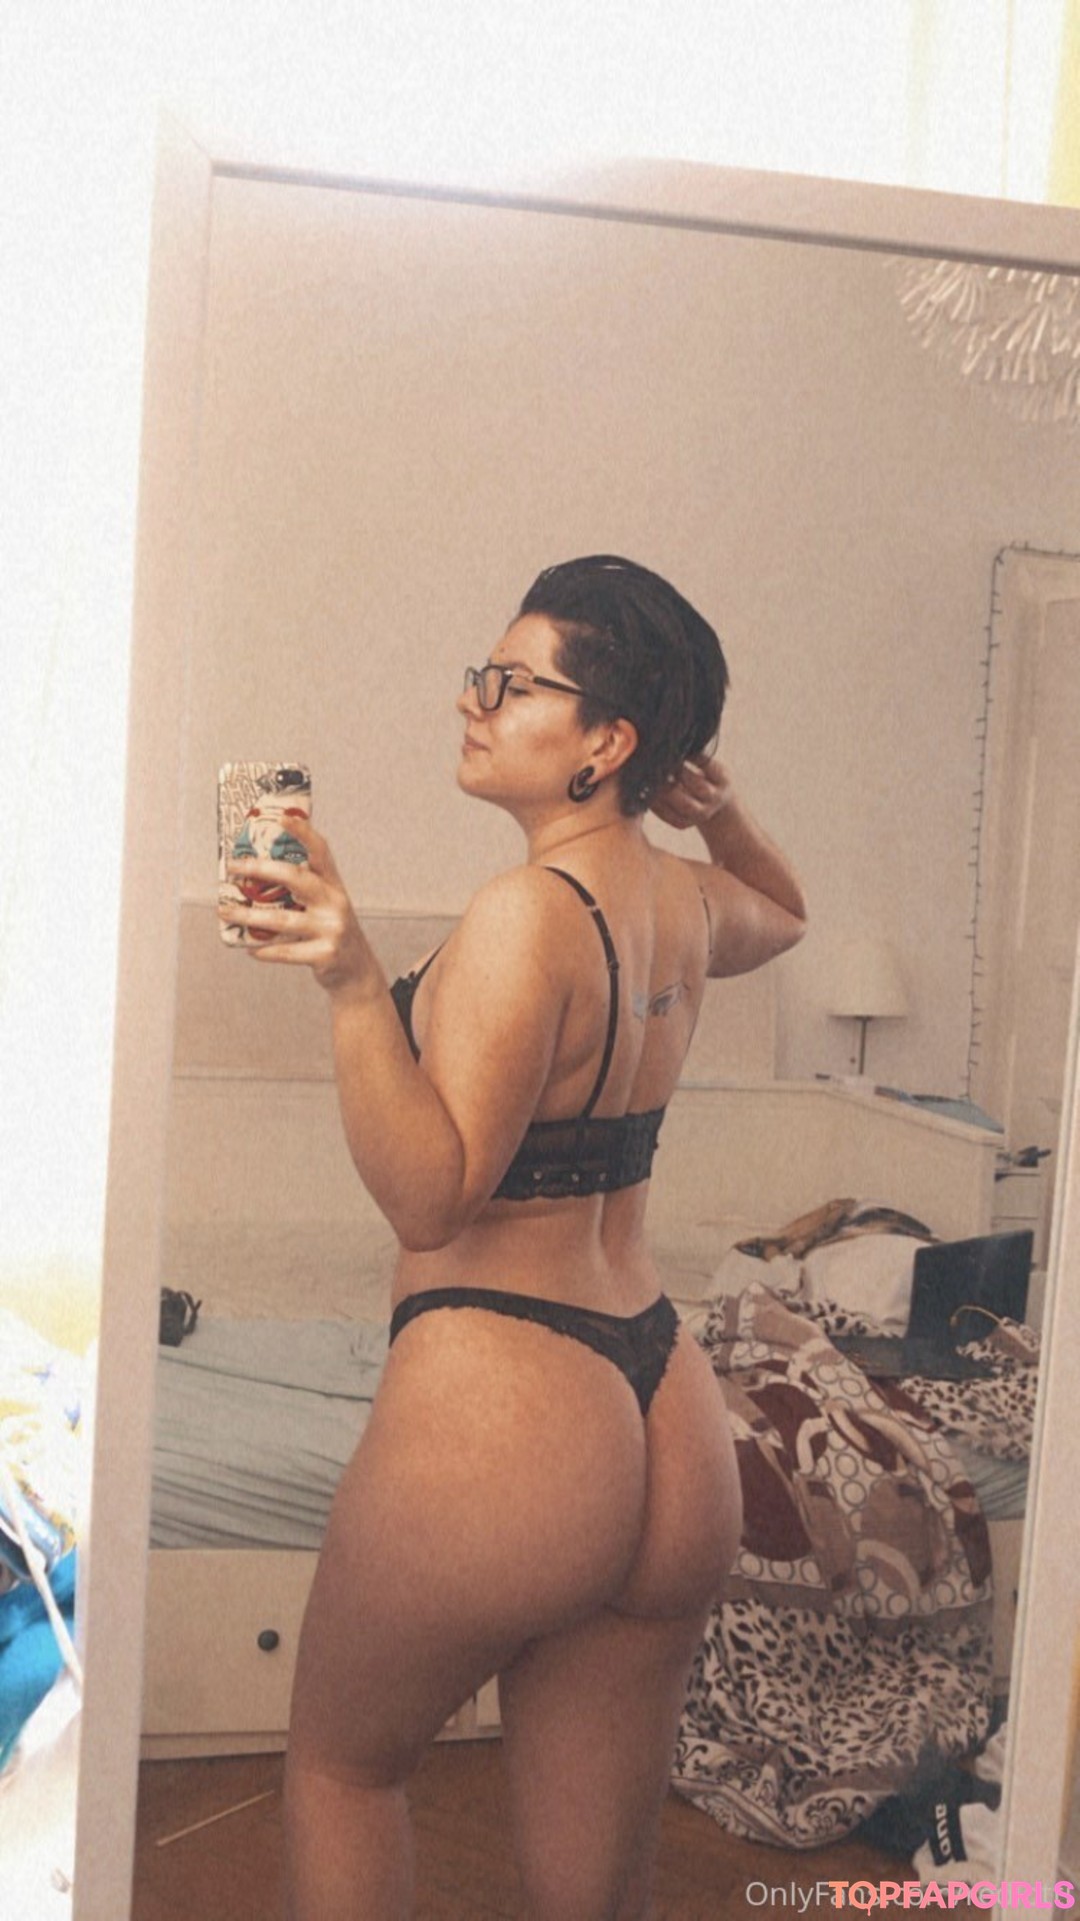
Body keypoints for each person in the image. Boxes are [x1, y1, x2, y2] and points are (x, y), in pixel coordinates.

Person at [220, 555, 807, 1920]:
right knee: (592, 1896)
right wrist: (722, 813)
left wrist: (355, 983)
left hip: (513, 1407)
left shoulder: (523, 915)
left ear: (607, 742)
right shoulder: (678, 900)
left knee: (343, 1772)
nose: (471, 703)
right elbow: (785, 912)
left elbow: (434, 1198)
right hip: (668, 1410)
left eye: (510, 684)